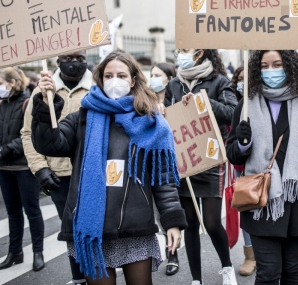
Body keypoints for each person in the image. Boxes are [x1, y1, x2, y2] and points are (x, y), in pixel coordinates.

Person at [31, 51, 187, 285]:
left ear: (133, 80)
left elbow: (163, 178)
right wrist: (46, 106)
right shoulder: (81, 117)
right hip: (94, 227)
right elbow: (50, 143)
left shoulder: (150, 120)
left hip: (135, 225)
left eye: (121, 75)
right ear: (100, 79)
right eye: (109, 75)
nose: (115, 80)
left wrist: (172, 221)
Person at [227, 49, 298, 285]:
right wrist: (243, 144)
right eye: (264, 66)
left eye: (276, 64)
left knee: (292, 271)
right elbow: (232, 154)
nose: (270, 71)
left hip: (297, 205)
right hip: (260, 203)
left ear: (289, 66)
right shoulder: (245, 107)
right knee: (268, 272)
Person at [164, 49, 238, 285]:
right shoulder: (174, 84)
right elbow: (167, 120)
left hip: (210, 159)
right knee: (190, 223)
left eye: (186, 50)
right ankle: (196, 279)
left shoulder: (219, 80)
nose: (181, 54)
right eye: (179, 50)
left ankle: (227, 267)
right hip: (183, 161)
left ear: (200, 52)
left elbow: (232, 113)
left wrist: (203, 102)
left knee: (212, 221)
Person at [21, 51, 92, 284]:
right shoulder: (41, 92)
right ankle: (78, 278)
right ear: (57, 61)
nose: (75, 63)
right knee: (70, 231)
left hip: (92, 173)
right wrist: (40, 168)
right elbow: (28, 133)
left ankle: (99, 277)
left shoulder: (98, 87)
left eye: (80, 57)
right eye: (69, 58)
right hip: (59, 175)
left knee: (96, 230)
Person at [0, 67, 46, 271]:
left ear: (12, 82)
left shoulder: (27, 102)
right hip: (5, 167)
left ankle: (38, 252)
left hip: (24, 167)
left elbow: (27, 133)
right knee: (13, 213)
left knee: (32, 211)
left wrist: (6, 150)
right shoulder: (0, 105)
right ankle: (15, 252)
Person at [149, 61, 178, 276]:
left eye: (158, 74)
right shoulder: (145, 99)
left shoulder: (176, 96)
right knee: (157, 213)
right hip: (154, 162)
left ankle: (173, 254)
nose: (154, 78)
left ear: (169, 77)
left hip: (177, 161)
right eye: (152, 74)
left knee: (171, 211)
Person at [229, 65, 256, 276]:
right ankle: (250, 255)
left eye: (247, 78)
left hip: (263, 167)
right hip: (241, 167)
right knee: (246, 208)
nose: (243, 82)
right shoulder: (237, 106)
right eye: (239, 79)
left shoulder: (260, 104)